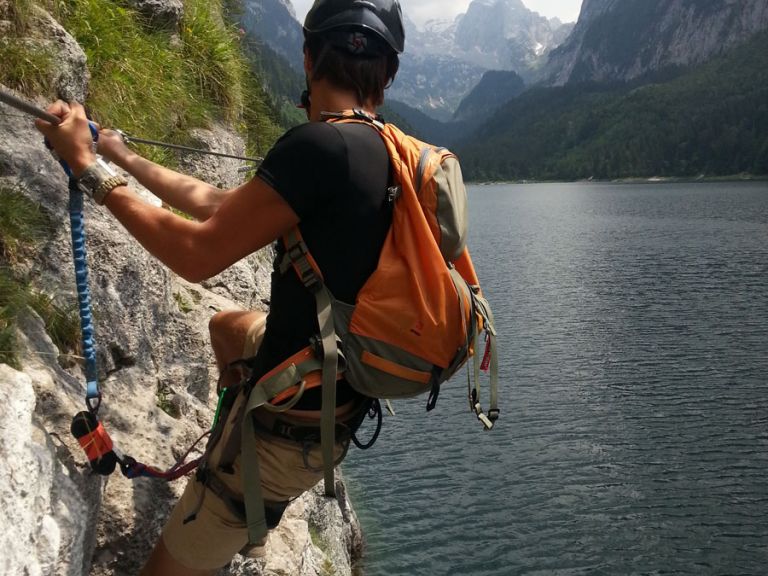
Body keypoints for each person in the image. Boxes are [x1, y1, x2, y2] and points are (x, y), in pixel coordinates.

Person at [36, 0, 406, 573]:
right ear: (388, 77)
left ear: (307, 59)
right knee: (227, 327)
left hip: (292, 426)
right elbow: (218, 206)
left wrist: (88, 171)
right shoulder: (380, 150)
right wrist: (121, 155)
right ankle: (238, 480)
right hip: (339, 387)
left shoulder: (319, 147)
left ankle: (237, 492)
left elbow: (196, 254)